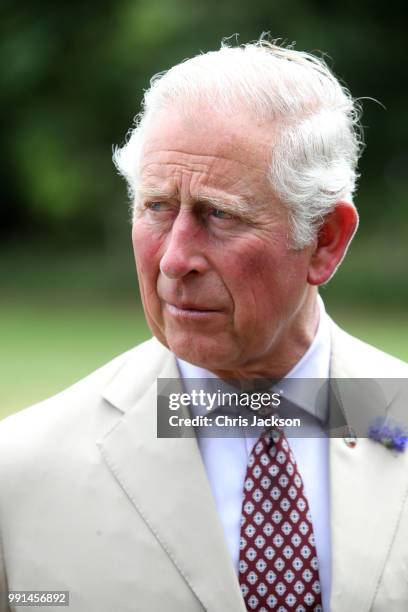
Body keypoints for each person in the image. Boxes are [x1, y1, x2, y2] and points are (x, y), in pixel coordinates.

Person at [0, 40, 407, 612]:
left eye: (220, 215)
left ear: (324, 240)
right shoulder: (17, 472)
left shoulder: (397, 412)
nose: (173, 260)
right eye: (157, 207)